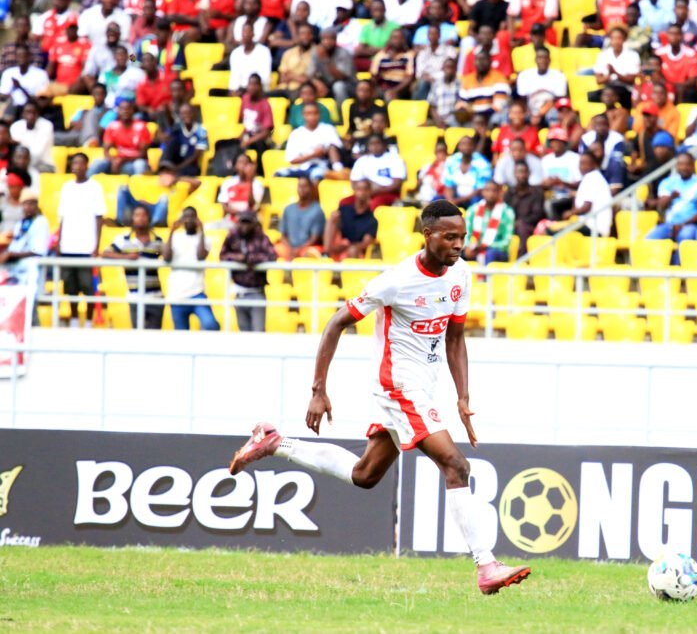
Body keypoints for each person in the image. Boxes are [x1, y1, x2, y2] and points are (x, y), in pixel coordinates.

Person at [228, 200, 530, 595]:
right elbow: (336, 323)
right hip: (397, 385)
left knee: (366, 475)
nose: (458, 245)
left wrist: (462, 397)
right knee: (456, 465)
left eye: (462, 237)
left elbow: (455, 338)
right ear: (427, 235)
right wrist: (318, 390)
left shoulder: (461, 274)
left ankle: (274, 442)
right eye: (449, 237)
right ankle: (486, 565)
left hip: (422, 386)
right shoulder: (397, 280)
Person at [58, 153, 105, 327]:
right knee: (70, 287)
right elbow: (62, 217)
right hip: (68, 246)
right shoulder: (66, 187)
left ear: (87, 166)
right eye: (74, 163)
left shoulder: (95, 187)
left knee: (88, 287)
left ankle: (89, 322)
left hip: (86, 246)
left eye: (81, 163)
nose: (77, 166)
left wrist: (96, 245)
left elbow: (99, 217)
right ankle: (74, 320)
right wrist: (59, 241)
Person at [103, 205, 164, 329]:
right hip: (135, 296)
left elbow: (168, 256)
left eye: (144, 215)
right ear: (132, 218)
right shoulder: (123, 239)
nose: (141, 218)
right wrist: (126, 257)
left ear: (149, 218)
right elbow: (105, 254)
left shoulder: (157, 241)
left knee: (155, 335)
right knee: (138, 334)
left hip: (156, 296)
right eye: (137, 215)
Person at [220, 210, 277, 333]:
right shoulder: (233, 236)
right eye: (242, 222)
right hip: (239, 292)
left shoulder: (261, 237)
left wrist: (251, 259)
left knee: (258, 331)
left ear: (254, 224)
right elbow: (222, 255)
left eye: (248, 222)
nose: (244, 226)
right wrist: (238, 258)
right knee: (244, 333)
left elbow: (272, 256)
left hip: (256, 291)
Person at [164, 206, 219, 332]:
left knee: (210, 324)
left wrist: (202, 230)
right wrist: (172, 231)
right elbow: (166, 257)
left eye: (192, 217)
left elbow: (201, 256)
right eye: (186, 217)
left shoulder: (204, 238)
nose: (189, 220)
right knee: (181, 332)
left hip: (197, 291)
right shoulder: (176, 237)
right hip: (177, 294)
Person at [646, 152, 697, 254]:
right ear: (676, 166)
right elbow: (661, 206)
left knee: (685, 237)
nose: (684, 167)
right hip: (670, 225)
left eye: (687, 164)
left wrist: (682, 225)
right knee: (650, 239)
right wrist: (671, 197)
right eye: (680, 164)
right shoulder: (668, 182)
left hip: (690, 225)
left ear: (693, 166)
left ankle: (678, 263)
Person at [88, 100, 152, 178]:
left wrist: (122, 159)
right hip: (118, 162)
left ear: (133, 111)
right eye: (122, 109)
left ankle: (139, 185)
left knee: (140, 164)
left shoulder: (141, 127)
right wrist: (113, 160)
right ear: (118, 111)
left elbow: (143, 154)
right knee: (97, 163)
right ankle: (86, 183)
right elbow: (106, 151)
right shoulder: (113, 126)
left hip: (133, 163)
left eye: (128, 108)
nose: (125, 111)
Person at [0, 188, 49, 290]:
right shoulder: (21, 223)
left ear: (36, 204)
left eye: (30, 204)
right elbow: (16, 245)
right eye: (25, 204)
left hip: (31, 267)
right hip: (16, 268)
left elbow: (38, 250)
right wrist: (7, 254)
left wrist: (11, 254)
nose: (27, 207)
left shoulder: (41, 222)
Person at [281, 103, 344, 181]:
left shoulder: (328, 129)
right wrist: (313, 154)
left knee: (316, 175)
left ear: (319, 114)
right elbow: (292, 159)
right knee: (279, 173)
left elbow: (336, 149)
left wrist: (323, 151)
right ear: (303, 115)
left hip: (321, 167)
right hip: (301, 168)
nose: (312, 116)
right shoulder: (296, 133)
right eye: (309, 113)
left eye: (315, 113)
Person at [324, 180, 378, 260]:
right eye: (359, 189)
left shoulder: (372, 220)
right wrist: (338, 244)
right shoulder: (344, 210)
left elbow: (365, 242)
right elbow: (335, 226)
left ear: (370, 192)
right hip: (339, 245)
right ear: (354, 190)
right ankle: (326, 254)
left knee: (353, 250)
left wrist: (349, 246)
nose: (362, 192)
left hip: (355, 250)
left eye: (365, 189)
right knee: (333, 216)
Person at [349, 133, 407, 209]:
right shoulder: (362, 161)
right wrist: (365, 191)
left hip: (388, 193)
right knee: (345, 202)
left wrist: (378, 190)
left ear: (384, 145)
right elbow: (354, 182)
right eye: (372, 144)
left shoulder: (395, 159)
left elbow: (396, 185)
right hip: (366, 193)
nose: (375, 146)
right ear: (368, 146)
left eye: (377, 143)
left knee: (373, 204)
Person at [463, 181, 515, 264]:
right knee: (458, 254)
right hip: (475, 248)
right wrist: (467, 247)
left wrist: (484, 246)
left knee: (490, 254)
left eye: (494, 191)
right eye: (487, 190)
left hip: (497, 251)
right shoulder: (473, 210)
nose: (490, 194)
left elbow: (506, 242)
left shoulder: (507, 212)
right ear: (482, 192)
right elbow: (466, 234)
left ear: (499, 193)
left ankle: (486, 273)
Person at [278, 177, 326, 261]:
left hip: (307, 247)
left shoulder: (317, 210)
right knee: (276, 250)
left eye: (305, 186)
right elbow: (283, 235)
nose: (302, 189)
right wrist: (290, 249)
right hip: (289, 247)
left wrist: (299, 250)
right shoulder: (288, 209)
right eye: (300, 186)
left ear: (311, 188)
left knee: (310, 254)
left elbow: (315, 237)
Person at [506, 162, 545, 256]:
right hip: (511, 224)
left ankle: (522, 259)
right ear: (514, 174)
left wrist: (521, 222)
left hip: (529, 226)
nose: (522, 175)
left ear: (529, 173)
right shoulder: (510, 192)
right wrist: (512, 222)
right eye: (519, 172)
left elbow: (537, 214)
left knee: (522, 228)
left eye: (524, 172)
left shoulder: (537, 192)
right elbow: (505, 211)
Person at [443, 136, 492, 206]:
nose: (466, 147)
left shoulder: (482, 163)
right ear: (458, 146)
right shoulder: (451, 161)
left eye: (469, 144)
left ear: (474, 147)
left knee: (477, 201)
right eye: (463, 144)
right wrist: (450, 201)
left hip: (473, 197)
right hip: (455, 195)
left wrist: (458, 201)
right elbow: (448, 185)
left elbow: (480, 189)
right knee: (438, 200)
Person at [219, 154, 266, 224]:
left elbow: (253, 207)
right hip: (230, 220)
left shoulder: (257, 184)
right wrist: (240, 213)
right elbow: (225, 207)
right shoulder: (228, 183)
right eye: (241, 162)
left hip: (250, 221)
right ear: (235, 166)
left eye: (246, 163)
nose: (243, 165)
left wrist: (250, 182)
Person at [10, 101, 53, 174]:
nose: (31, 116)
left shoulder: (47, 126)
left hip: (44, 164)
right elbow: (16, 151)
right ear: (22, 114)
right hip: (21, 163)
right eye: (28, 112)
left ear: (38, 114)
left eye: (34, 113)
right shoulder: (15, 126)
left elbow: (38, 153)